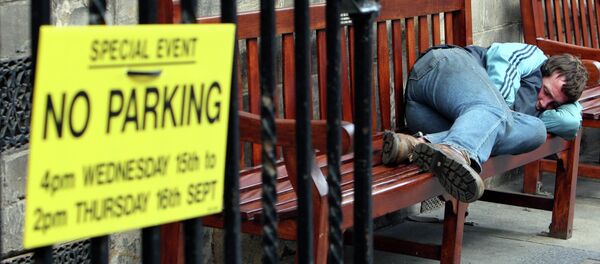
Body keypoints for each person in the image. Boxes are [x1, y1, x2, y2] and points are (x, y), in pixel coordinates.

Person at [381, 43, 588, 203]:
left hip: (431, 119)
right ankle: (455, 149)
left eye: (554, 104)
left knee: (536, 131)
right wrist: (503, 111)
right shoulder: (534, 58)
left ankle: (415, 145)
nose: (543, 103)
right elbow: (502, 56)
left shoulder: (545, 106)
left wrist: (566, 104)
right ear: (547, 69)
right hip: (441, 69)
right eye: (546, 91)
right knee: (494, 113)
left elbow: (571, 123)